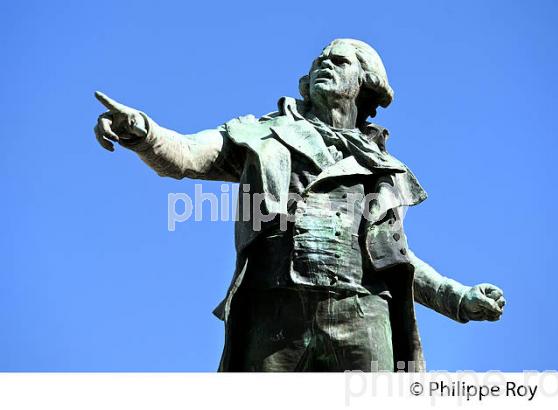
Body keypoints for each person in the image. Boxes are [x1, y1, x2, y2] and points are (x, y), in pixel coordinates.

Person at [93, 38, 505, 372]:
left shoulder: (382, 166)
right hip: (276, 311)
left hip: (361, 312)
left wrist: (458, 297)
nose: (324, 63)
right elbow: (186, 155)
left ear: (366, 82)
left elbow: (396, 258)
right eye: (319, 60)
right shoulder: (261, 134)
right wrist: (142, 132)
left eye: (339, 60)